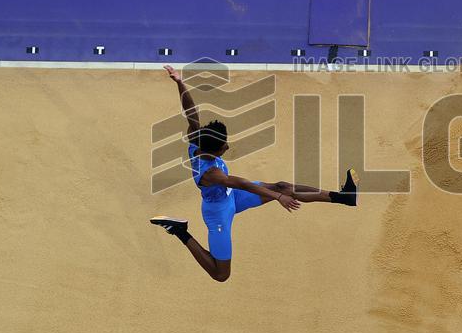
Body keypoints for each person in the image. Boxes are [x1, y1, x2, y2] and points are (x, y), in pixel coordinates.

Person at [152, 65, 358, 282]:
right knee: (221, 274)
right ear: (213, 151)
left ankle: (343, 197)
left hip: (231, 196)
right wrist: (278, 198)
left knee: (281, 185)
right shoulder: (210, 174)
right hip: (219, 212)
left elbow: (191, 113)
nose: (227, 148)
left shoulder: (197, 140)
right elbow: (241, 183)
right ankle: (180, 231)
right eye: (223, 147)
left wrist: (180, 82)